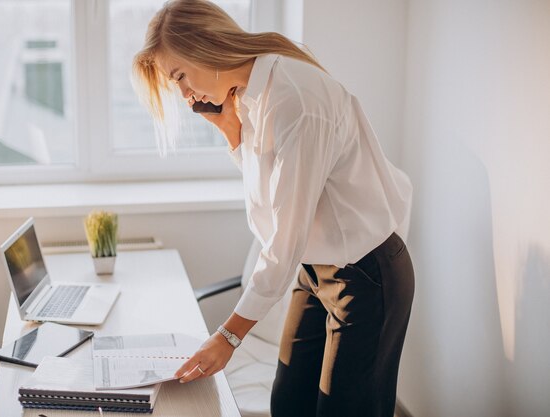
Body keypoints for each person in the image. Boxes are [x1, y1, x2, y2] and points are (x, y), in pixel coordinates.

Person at [132, 1, 414, 416]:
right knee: (288, 405)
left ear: (205, 46)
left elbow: (284, 237)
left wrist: (228, 337)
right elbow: (269, 208)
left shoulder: (296, 100)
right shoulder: (248, 97)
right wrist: (232, 132)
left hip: (366, 276)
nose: (185, 95)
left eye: (179, 76)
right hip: (315, 270)